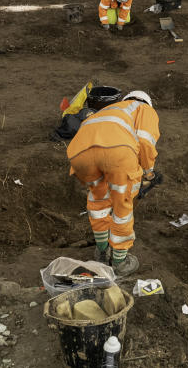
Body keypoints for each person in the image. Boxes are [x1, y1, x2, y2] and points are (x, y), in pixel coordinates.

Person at [66, 90, 159, 276]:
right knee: (122, 207)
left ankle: (101, 251)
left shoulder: (111, 110)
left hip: (79, 153)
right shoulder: (144, 108)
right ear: (146, 101)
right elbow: (146, 141)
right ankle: (119, 262)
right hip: (117, 153)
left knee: (98, 201)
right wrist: (148, 172)